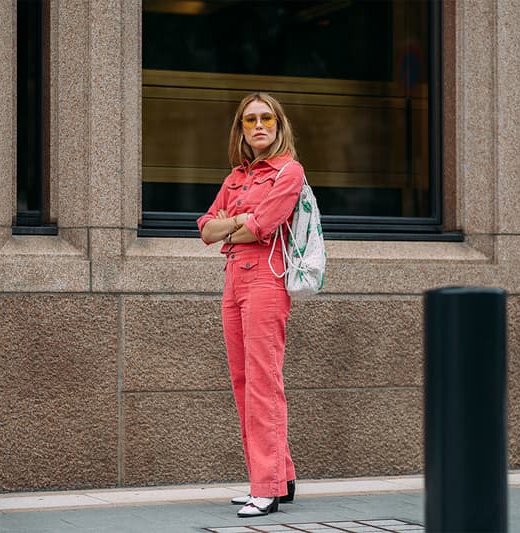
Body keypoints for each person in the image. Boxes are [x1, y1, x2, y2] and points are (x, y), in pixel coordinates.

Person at [197, 92, 303, 518]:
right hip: (233, 279)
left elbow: (265, 224)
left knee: (263, 381)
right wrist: (238, 224)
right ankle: (281, 476)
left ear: (279, 125)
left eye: (266, 119)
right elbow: (205, 229)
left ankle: (267, 487)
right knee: (243, 380)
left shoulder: (288, 171)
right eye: (249, 121)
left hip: (266, 279)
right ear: (241, 130)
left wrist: (236, 222)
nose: (258, 126)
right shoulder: (235, 177)